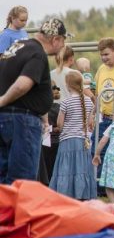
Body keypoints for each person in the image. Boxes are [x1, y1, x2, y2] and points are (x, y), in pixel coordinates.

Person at [0, 18, 69, 184]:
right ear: (56, 39)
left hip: (4, 120)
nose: (62, 47)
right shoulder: (37, 53)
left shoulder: (15, 48)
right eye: (63, 42)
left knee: (3, 178)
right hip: (22, 121)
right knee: (22, 181)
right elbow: (23, 84)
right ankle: (17, 210)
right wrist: (2, 101)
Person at [50, 69, 97, 199]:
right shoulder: (88, 101)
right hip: (83, 140)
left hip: (68, 140)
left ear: (67, 85)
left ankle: (65, 193)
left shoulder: (65, 102)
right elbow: (90, 122)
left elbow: (60, 124)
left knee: (66, 169)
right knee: (81, 169)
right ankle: (82, 194)